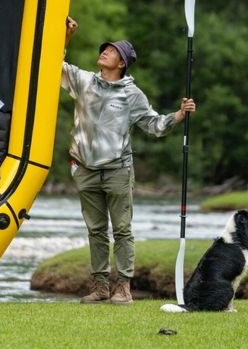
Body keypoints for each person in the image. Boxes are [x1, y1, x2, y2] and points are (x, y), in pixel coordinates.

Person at [62, 16, 196, 306]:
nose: (104, 52)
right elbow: (53, 66)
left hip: (118, 171)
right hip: (84, 169)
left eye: (111, 51)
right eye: (104, 49)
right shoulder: (84, 81)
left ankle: (123, 288)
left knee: (122, 230)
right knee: (95, 230)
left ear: (122, 63)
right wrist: (67, 36)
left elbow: (154, 125)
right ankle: (100, 287)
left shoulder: (132, 94)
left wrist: (179, 115)